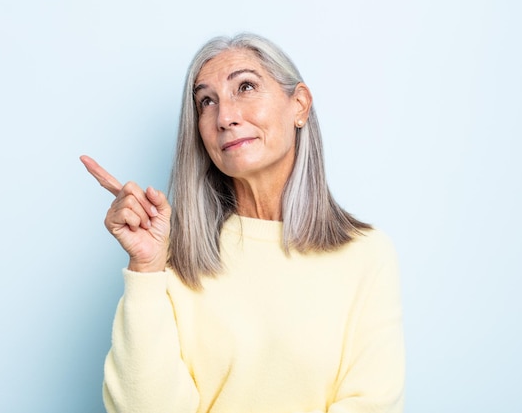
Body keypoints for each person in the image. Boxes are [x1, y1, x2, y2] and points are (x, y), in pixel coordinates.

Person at [81, 33, 404, 413]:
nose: (225, 117)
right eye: (206, 101)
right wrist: (147, 268)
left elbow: (372, 404)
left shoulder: (366, 253)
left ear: (299, 105)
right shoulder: (171, 253)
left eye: (245, 87)